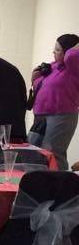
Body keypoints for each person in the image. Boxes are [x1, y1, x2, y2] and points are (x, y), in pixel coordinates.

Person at [31, 34, 79, 170]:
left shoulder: (74, 67)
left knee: (53, 153)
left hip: (61, 116)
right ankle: (40, 186)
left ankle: (60, 187)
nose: (53, 52)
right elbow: (41, 88)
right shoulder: (53, 66)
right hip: (41, 116)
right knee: (36, 153)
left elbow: (71, 56)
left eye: (58, 50)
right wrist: (34, 79)